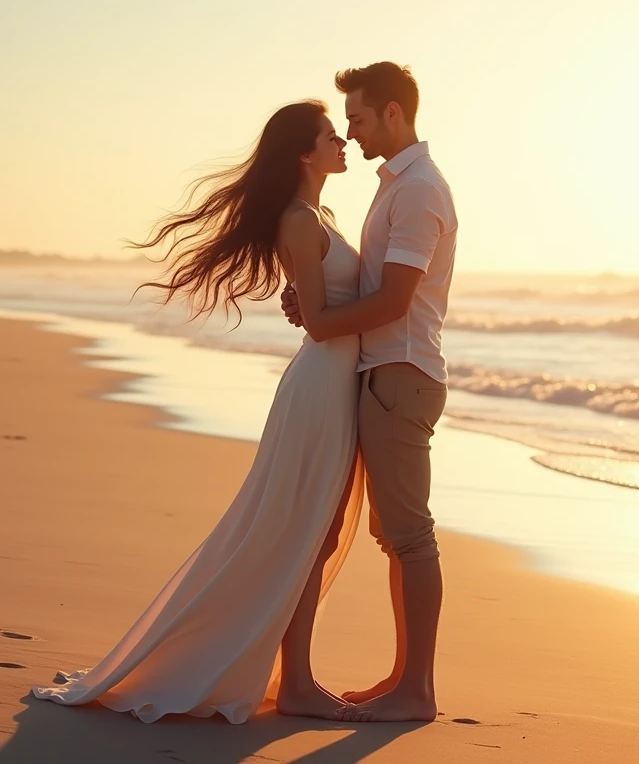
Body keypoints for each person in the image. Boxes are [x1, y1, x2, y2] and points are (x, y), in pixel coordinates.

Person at [31, 99, 368, 724]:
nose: (342, 141)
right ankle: (297, 682)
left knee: (311, 536)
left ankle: (294, 677)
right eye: (330, 136)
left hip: (333, 385)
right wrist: (394, 308)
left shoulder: (321, 213)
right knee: (299, 533)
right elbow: (320, 325)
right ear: (303, 152)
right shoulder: (300, 219)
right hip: (320, 387)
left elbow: (318, 306)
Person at [281, 62, 458, 723]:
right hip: (381, 374)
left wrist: (324, 320)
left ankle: (416, 690)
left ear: (391, 113)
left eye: (355, 118)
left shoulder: (418, 191)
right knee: (397, 537)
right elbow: (371, 289)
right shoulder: (394, 185)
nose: (349, 133)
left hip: (401, 376)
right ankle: (402, 679)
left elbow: (397, 298)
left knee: (411, 538)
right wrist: (313, 298)